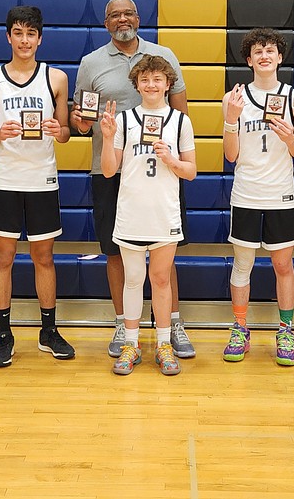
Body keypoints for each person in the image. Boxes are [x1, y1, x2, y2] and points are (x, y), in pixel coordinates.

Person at [70, 0, 195, 359]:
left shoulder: (163, 56)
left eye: (128, 13)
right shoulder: (91, 63)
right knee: (115, 251)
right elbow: (81, 120)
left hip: (161, 170)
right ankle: (124, 325)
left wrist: (173, 156)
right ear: (106, 23)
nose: (122, 19)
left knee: (163, 255)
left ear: (138, 18)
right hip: (110, 166)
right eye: (114, 15)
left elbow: (181, 112)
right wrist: (84, 123)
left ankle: (171, 323)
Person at [0, 6, 74, 367]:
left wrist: (57, 131)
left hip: (42, 179)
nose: (24, 40)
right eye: (18, 33)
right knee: (2, 257)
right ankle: (4, 334)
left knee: (43, 256)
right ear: (8, 37)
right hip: (5, 178)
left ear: (40, 38)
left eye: (31, 34)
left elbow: (65, 133)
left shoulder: (57, 78)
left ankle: (48, 331)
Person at [99, 55, 197, 375]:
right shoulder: (124, 120)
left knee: (160, 279)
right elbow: (109, 170)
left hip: (164, 214)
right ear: (137, 85)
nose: (151, 85)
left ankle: (164, 344)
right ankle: (131, 343)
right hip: (131, 213)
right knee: (133, 279)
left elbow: (191, 172)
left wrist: (171, 160)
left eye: (157, 79)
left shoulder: (180, 121)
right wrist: (107, 137)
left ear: (168, 84)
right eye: (145, 80)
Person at [220, 28, 294, 365]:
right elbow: (230, 155)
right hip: (246, 192)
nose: (264, 55)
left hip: (281, 194)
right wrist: (231, 121)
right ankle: (240, 328)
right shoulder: (234, 99)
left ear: (280, 57)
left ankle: (285, 330)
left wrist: (288, 137)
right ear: (249, 60)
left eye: (270, 50)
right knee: (243, 264)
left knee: (283, 264)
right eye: (257, 51)